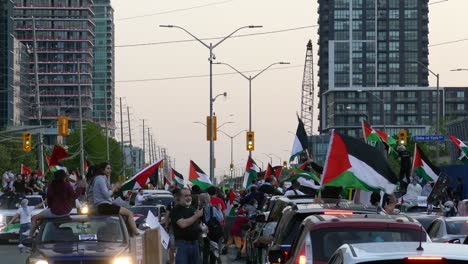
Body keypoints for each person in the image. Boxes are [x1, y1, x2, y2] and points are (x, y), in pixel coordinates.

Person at [29, 169, 85, 237]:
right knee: (42, 218)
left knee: (34, 218)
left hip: (54, 211)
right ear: (64, 177)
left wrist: (50, 208)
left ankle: (30, 235)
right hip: (66, 211)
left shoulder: (51, 186)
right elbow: (74, 196)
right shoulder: (67, 185)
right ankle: (35, 229)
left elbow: (49, 199)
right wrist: (81, 188)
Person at [91, 162, 139, 236]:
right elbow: (107, 195)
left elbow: (111, 197)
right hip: (103, 206)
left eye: (110, 169)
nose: (110, 170)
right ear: (102, 170)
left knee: (125, 216)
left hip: (105, 205)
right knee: (129, 213)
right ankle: (136, 233)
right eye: (108, 168)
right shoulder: (100, 179)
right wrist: (114, 188)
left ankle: (130, 233)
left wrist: (120, 194)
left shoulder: (103, 179)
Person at [171, 188, 203, 264]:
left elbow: (196, 224)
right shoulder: (176, 210)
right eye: (186, 196)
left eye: (189, 195)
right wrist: (197, 215)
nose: (189, 198)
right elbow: (182, 224)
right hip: (182, 245)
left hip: (195, 244)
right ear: (179, 198)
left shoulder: (192, 209)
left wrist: (202, 228)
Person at [199, 193, 224, 264]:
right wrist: (219, 210)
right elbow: (220, 218)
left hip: (204, 232)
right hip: (214, 232)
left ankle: (205, 262)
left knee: (205, 250)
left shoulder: (199, 209)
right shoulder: (213, 208)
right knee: (214, 250)